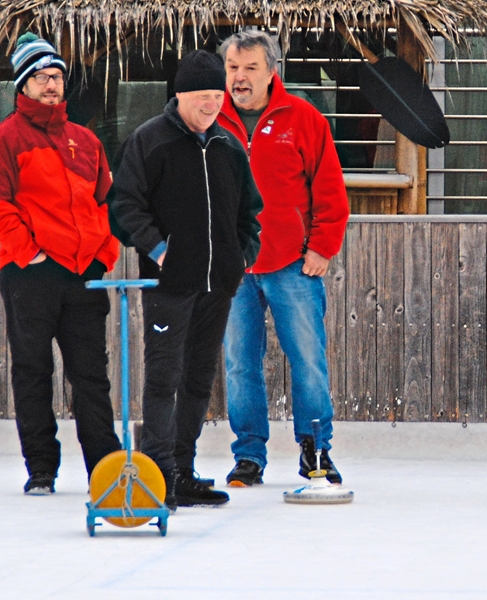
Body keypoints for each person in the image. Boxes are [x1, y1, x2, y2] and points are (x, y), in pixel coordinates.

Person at [0, 33, 122, 495]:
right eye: (40, 77)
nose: (50, 84)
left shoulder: (87, 141)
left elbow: (107, 202)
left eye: (55, 76)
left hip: (84, 274)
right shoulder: (1, 141)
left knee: (91, 375)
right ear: (23, 85)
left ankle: (106, 468)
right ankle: (41, 468)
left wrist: (104, 253)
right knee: (33, 371)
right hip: (31, 273)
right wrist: (31, 253)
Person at [111, 50, 263, 509]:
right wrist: (159, 250)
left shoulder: (229, 147)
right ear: (180, 95)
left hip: (218, 286)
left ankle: (183, 469)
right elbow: (123, 205)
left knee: (199, 378)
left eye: (218, 96)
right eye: (203, 96)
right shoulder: (149, 140)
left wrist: (240, 258)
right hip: (169, 286)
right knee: (164, 377)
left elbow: (249, 213)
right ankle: (157, 474)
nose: (213, 104)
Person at [216, 30, 349, 487]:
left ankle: (316, 450)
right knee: (238, 363)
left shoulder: (304, 118)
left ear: (272, 71)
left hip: (292, 262)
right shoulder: (210, 120)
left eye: (250, 68)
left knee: (308, 358)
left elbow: (330, 189)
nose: (240, 77)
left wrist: (321, 246)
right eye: (233, 68)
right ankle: (249, 455)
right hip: (232, 268)